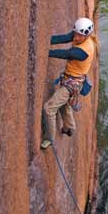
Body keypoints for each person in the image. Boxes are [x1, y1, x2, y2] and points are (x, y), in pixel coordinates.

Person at [41, 17, 95, 149]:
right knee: (64, 105)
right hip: (71, 79)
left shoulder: (83, 51)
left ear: (86, 35)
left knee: (49, 109)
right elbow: (65, 38)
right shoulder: (80, 35)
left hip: (72, 85)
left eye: (79, 35)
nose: (76, 37)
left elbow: (66, 54)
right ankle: (69, 128)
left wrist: (44, 52)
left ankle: (49, 139)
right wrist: (45, 41)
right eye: (75, 33)